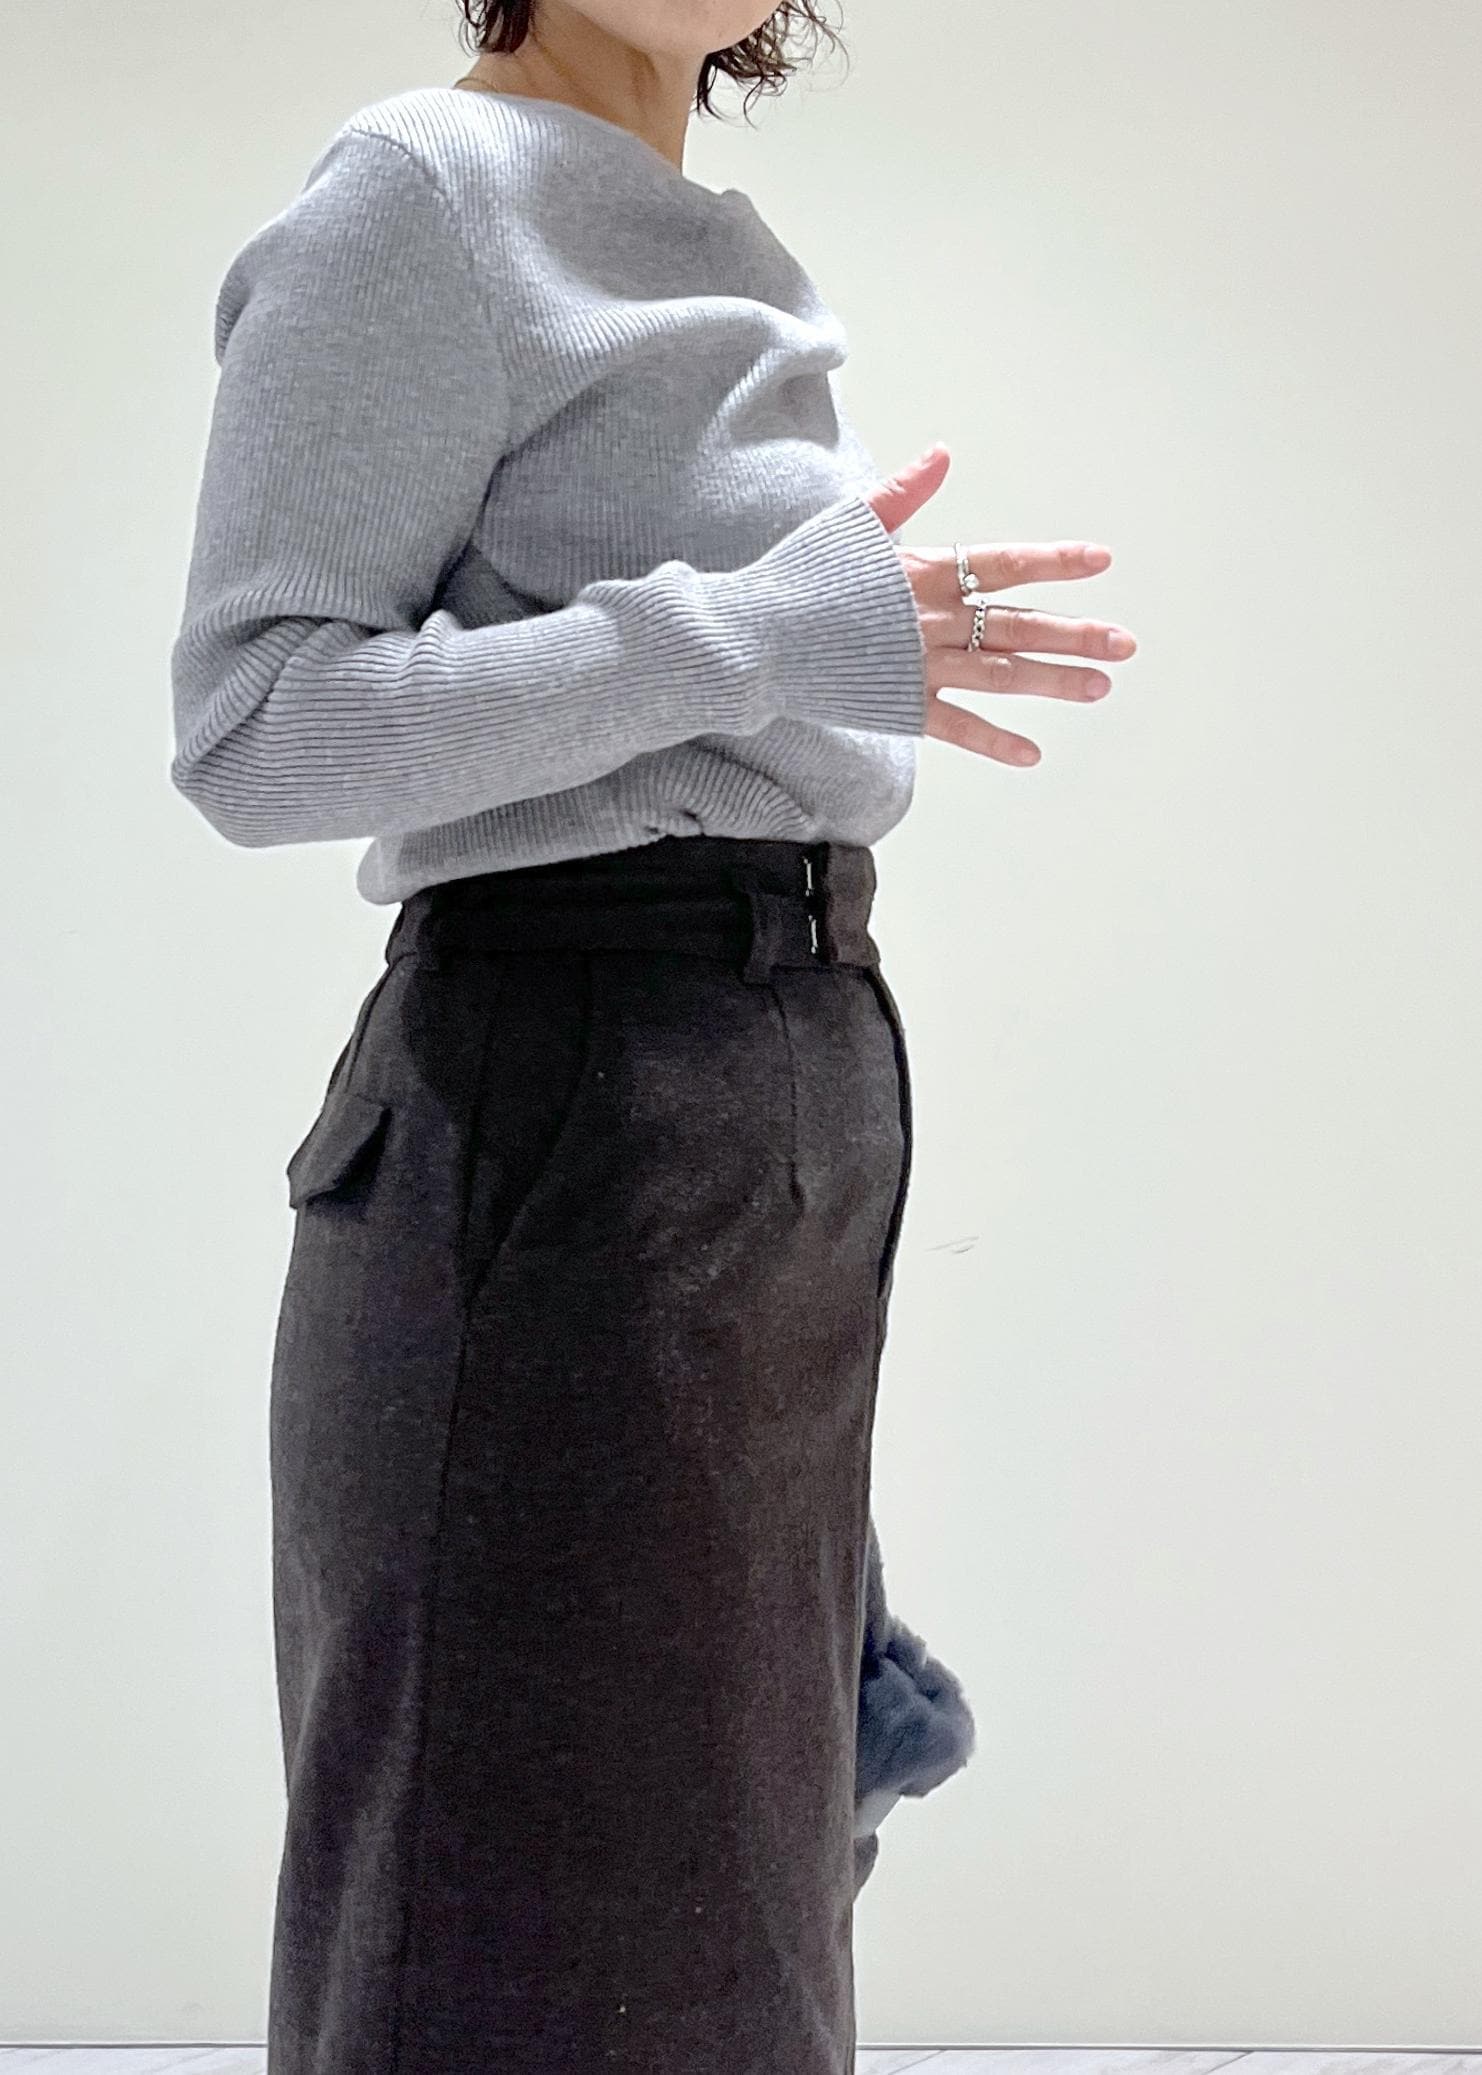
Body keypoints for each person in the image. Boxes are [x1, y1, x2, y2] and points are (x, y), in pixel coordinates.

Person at [168, 2, 1137, 2068]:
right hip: (569, 1102)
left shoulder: (722, 242)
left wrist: (804, 671)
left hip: (771, 1092)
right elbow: (256, 728)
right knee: (530, 1922)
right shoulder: (424, 195)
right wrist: (757, 636)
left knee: (733, 1899)